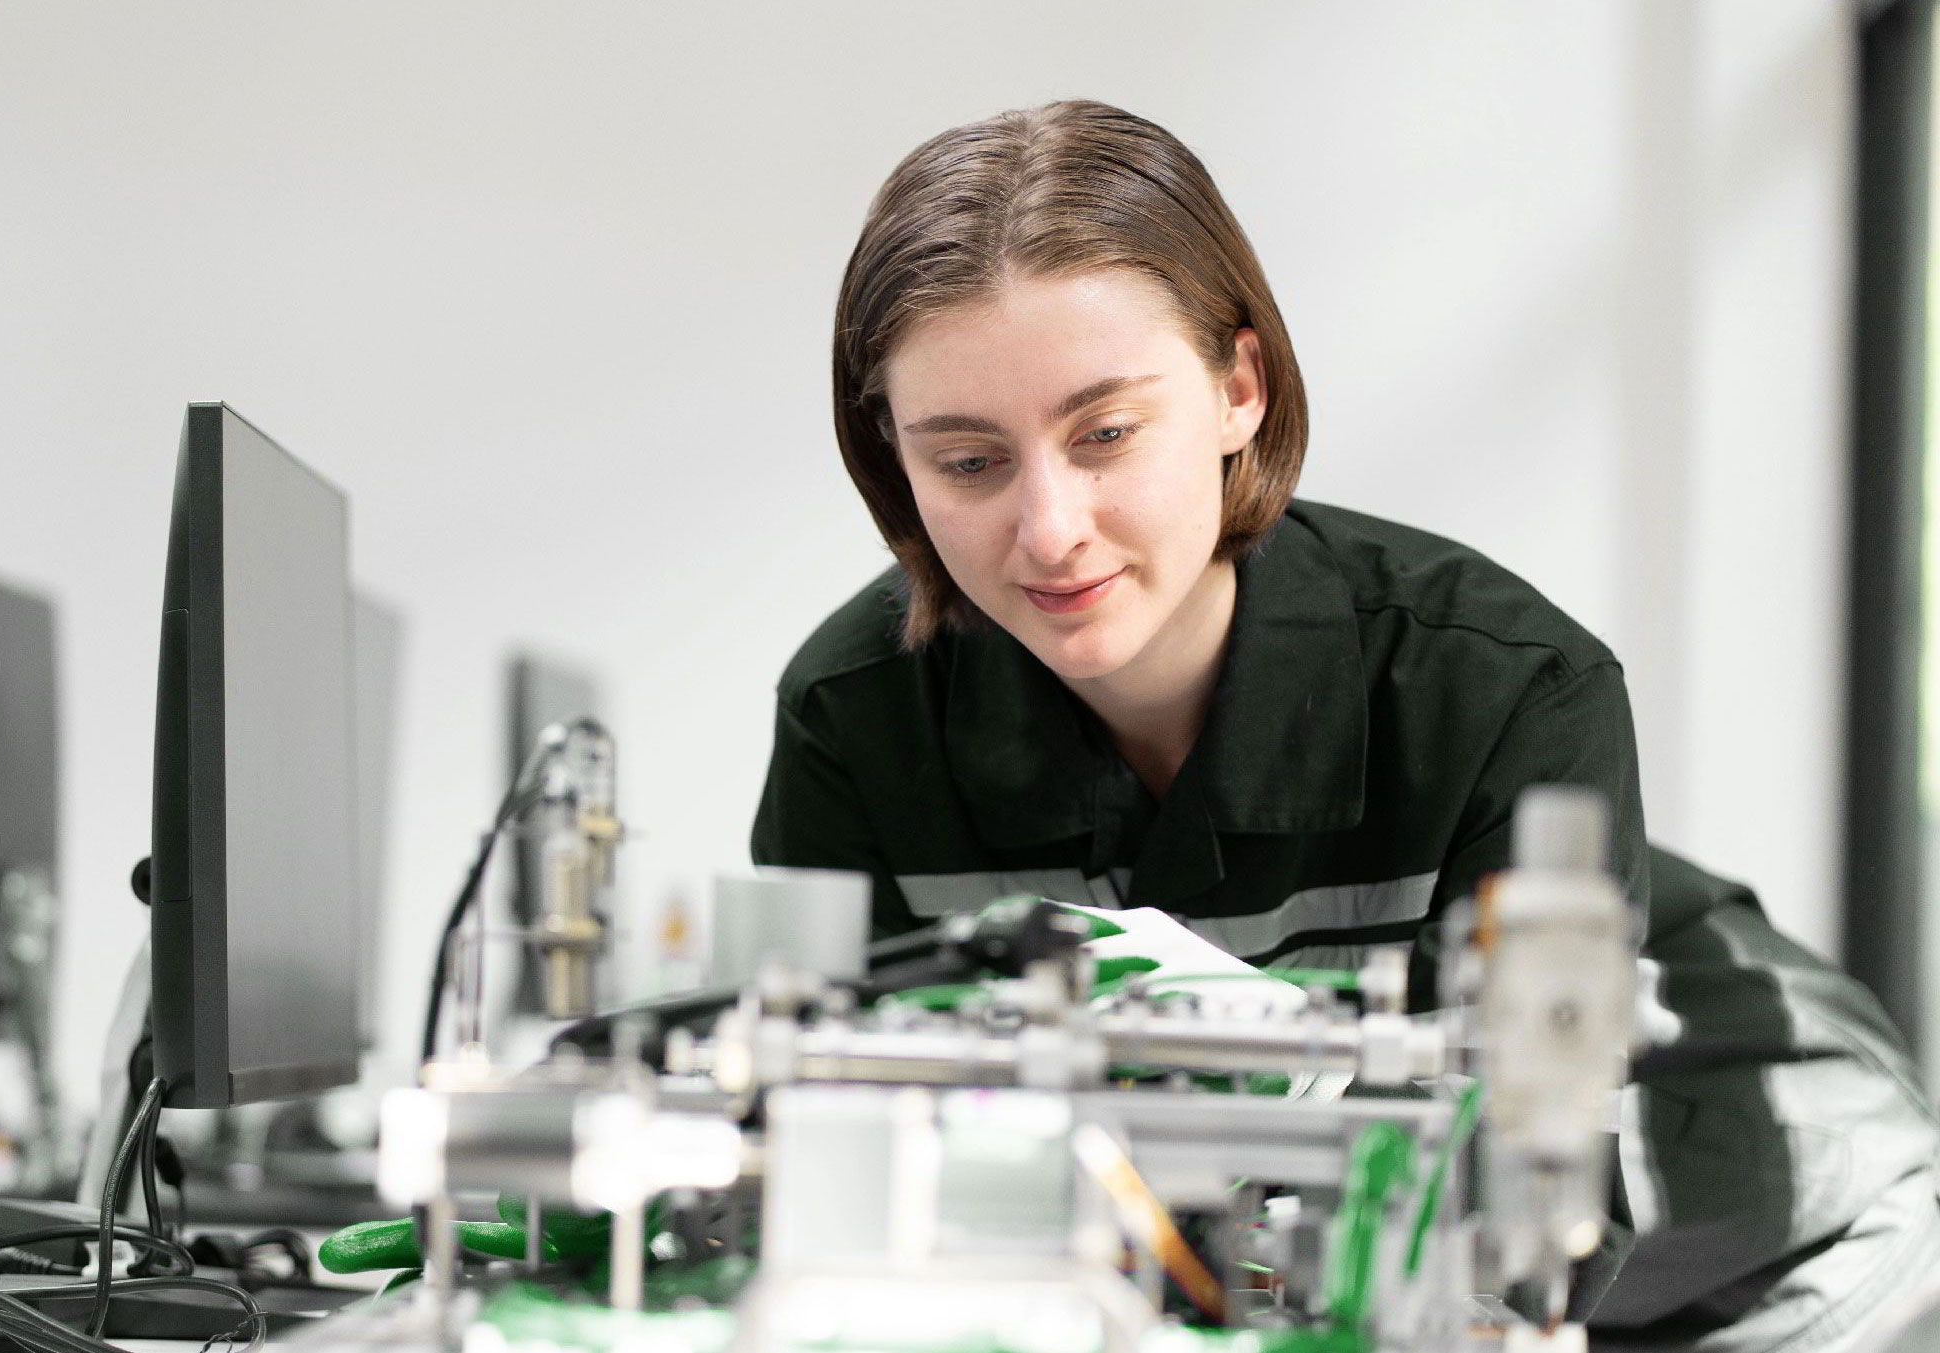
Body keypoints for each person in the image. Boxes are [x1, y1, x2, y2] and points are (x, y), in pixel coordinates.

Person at [751, 99, 1939, 1350]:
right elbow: (846, 1163)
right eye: (970, 462)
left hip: (1773, 1178)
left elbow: (1508, 1228)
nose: (1048, 531)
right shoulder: (854, 715)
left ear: (1237, 392)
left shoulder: (1499, 682)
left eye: (1105, 434)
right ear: (895, 459)